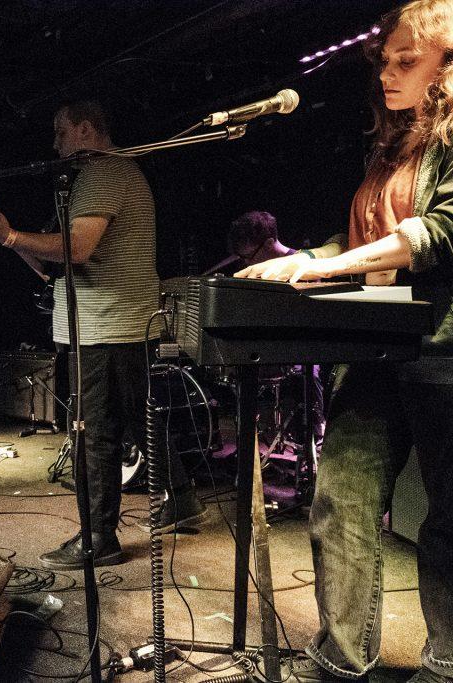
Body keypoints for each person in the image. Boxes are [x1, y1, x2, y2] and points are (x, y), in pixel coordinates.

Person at [235, 2, 453, 680]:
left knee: (448, 519)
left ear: (448, 66)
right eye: (384, 62)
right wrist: (301, 256)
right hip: (378, 347)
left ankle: (447, 659)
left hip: (445, 351)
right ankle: (342, 655)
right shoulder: (394, 144)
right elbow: (364, 243)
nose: (386, 75)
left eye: (405, 62)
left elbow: (439, 233)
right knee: (341, 496)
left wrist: (323, 266)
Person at [0, 100, 206, 570]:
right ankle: (180, 497)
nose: (55, 143)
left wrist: (12, 237)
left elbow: (76, 249)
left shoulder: (102, 176)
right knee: (139, 417)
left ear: (84, 130)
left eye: (60, 132)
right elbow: (52, 260)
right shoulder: (118, 174)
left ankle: (99, 538)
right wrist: (7, 234)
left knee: (93, 433)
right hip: (122, 322)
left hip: (107, 326)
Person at [228, 210, 327, 447]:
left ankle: (317, 438)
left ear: (270, 243)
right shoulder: (255, 270)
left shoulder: (305, 268)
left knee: (306, 373)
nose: (246, 263)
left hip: (301, 349)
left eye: (249, 256)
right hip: (269, 347)